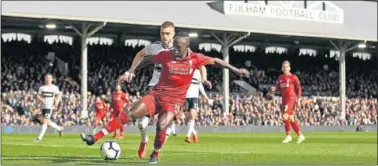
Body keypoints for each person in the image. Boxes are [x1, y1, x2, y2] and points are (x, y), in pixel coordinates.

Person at [80, 32, 250, 164]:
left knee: (161, 126)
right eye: (174, 45)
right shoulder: (166, 55)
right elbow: (146, 60)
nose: (174, 49)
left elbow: (215, 61)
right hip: (157, 94)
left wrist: (236, 70)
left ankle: (155, 153)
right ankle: (94, 137)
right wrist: (130, 71)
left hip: (175, 101)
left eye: (178, 47)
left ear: (186, 47)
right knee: (129, 114)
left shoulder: (195, 59)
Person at [127, 21, 211, 159]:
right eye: (162, 33)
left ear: (173, 34)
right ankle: (144, 140)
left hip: (173, 92)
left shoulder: (183, 49)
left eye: (167, 33)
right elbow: (140, 54)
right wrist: (131, 70)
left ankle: (156, 152)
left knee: (164, 125)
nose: (164, 36)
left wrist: (203, 79)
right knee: (141, 122)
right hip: (154, 86)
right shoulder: (154, 47)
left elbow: (202, 64)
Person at [166, 68, 209, 143]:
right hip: (185, 97)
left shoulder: (198, 72)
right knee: (183, 118)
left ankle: (188, 136)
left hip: (194, 98)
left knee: (192, 116)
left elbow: (200, 86)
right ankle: (194, 133)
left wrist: (205, 96)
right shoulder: (184, 70)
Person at [271, 61, 305, 144]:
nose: (285, 68)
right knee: (291, 119)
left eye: (286, 66)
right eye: (283, 67)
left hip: (291, 99)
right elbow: (278, 88)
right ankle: (300, 135)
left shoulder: (293, 77)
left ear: (289, 68)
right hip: (284, 99)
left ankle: (288, 136)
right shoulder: (280, 77)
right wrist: (274, 89)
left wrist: (299, 99)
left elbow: (298, 88)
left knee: (284, 116)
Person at [34, 74, 64, 142]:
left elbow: (59, 95)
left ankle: (39, 138)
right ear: (45, 79)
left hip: (50, 106)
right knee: (47, 122)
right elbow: (38, 96)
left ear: (52, 79)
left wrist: (57, 101)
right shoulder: (42, 88)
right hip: (43, 106)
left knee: (45, 121)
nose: (48, 79)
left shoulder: (54, 87)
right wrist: (41, 99)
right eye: (46, 78)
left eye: (49, 78)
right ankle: (59, 128)